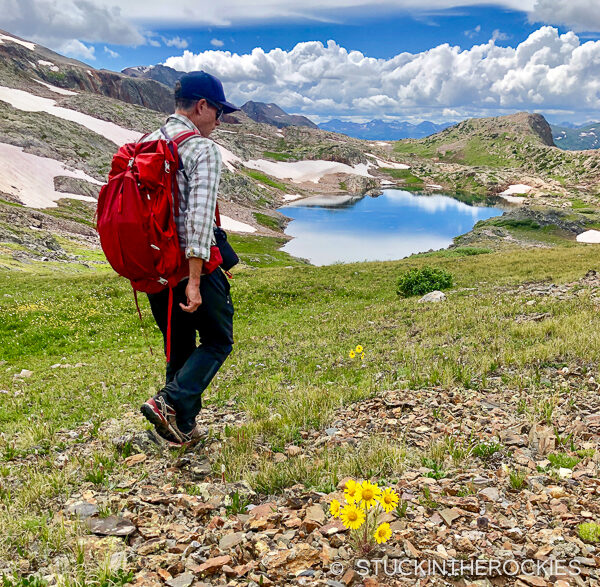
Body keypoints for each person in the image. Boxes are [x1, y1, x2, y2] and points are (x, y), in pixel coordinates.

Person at [140, 71, 239, 446]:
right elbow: (197, 221)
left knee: (179, 345)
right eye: (219, 112)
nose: (219, 120)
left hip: (155, 268)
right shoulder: (201, 149)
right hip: (189, 266)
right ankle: (169, 403)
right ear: (201, 106)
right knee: (217, 339)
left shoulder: (147, 142)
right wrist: (195, 280)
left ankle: (180, 428)